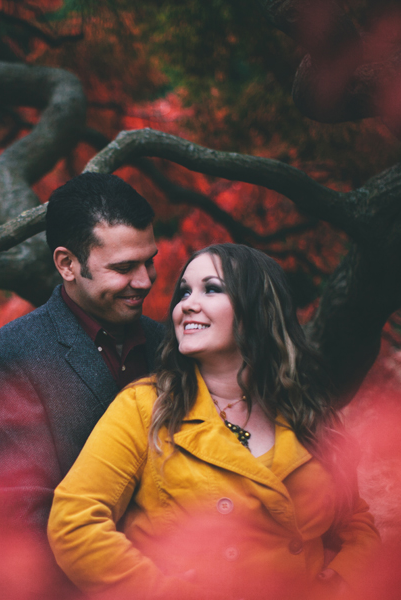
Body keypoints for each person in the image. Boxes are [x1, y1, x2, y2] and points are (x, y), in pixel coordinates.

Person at [48, 244, 380, 600]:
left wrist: (347, 580)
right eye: (185, 292)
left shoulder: (307, 408)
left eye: (212, 288)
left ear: (258, 309)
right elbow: (74, 521)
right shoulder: (147, 405)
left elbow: (354, 520)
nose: (187, 304)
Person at [0, 173, 165, 597]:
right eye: (124, 267)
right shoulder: (8, 361)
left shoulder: (174, 345)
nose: (146, 280)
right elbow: (25, 519)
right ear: (67, 264)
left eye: (150, 261)